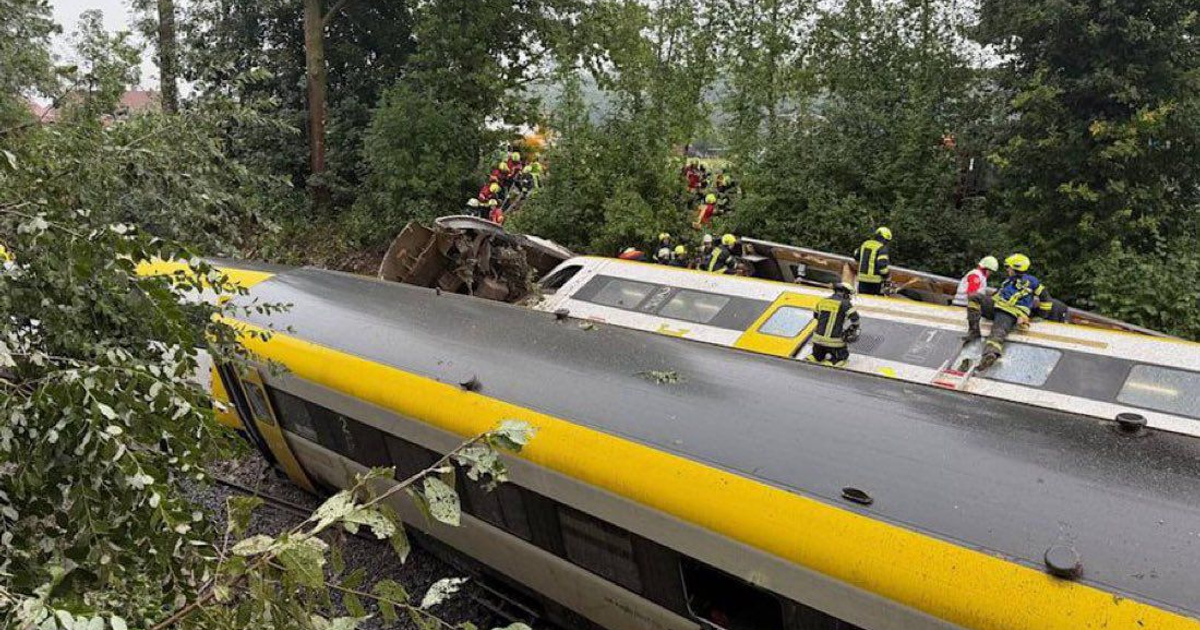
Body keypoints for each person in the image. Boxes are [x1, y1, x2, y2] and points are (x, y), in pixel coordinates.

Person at [965, 253, 1054, 370]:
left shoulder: (1032, 282)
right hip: (996, 306)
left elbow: (1046, 298)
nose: (1007, 269)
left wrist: (1041, 316)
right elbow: (996, 294)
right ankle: (974, 330)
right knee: (974, 297)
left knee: (997, 333)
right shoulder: (1009, 281)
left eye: (1008, 267)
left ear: (1014, 268)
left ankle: (990, 354)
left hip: (1010, 312)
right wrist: (1042, 315)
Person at [805, 282, 861, 367]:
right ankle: (831, 363)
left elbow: (816, 316)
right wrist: (853, 327)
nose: (849, 297)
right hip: (835, 342)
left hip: (817, 339)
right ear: (844, 293)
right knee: (842, 358)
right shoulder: (845, 304)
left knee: (816, 356)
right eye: (849, 294)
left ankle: (812, 358)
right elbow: (855, 319)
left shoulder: (822, 301)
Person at [854, 227, 892, 295]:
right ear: (884, 239)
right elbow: (882, 266)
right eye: (887, 241)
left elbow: (856, 255)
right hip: (875, 282)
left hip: (862, 279)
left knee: (863, 299)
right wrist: (887, 276)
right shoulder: (881, 248)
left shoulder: (865, 244)